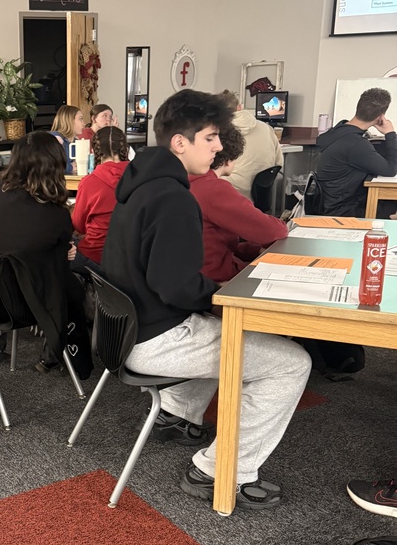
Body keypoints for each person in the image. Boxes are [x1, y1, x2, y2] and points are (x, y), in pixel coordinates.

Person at [101, 89, 311, 510]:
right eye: (210, 138)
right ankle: (219, 470)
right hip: (158, 339)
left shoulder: (140, 185)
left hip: (127, 330)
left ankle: (179, 414)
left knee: (221, 329)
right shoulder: (174, 197)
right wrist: (222, 295)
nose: (218, 148)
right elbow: (175, 286)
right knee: (292, 364)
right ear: (180, 142)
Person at [0, 130, 91, 379]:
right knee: (72, 282)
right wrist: (65, 251)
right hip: (18, 306)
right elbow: (58, 256)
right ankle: (56, 355)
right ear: (55, 165)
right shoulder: (56, 215)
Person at [188, 122, 287, 284]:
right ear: (229, 159)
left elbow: (211, 242)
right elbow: (273, 231)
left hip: (195, 276)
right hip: (217, 280)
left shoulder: (186, 182)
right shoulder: (214, 190)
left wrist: (253, 250)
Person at [315, 88, 397, 217]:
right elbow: (391, 170)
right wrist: (390, 133)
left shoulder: (336, 132)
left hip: (330, 204)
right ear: (380, 117)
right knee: (392, 205)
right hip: (343, 210)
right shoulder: (356, 144)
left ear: (358, 107)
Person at [71, 125, 128, 267]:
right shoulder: (140, 178)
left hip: (96, 256)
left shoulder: (89, 182)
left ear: (93, 151)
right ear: (126, 150)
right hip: (130, 258)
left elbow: (79, 226)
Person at [218, 89, 283, 201]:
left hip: (232, 190)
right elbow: (279, 162)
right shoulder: (266, 128)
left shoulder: (219, 130)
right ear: (240, 107)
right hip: (261, 191)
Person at [50, 105, 86, 174]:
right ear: (70, 120)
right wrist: (70, 167)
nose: (84, 124)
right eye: (81, 119)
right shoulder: (55, 139)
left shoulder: (76, 141)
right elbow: (49, 165)